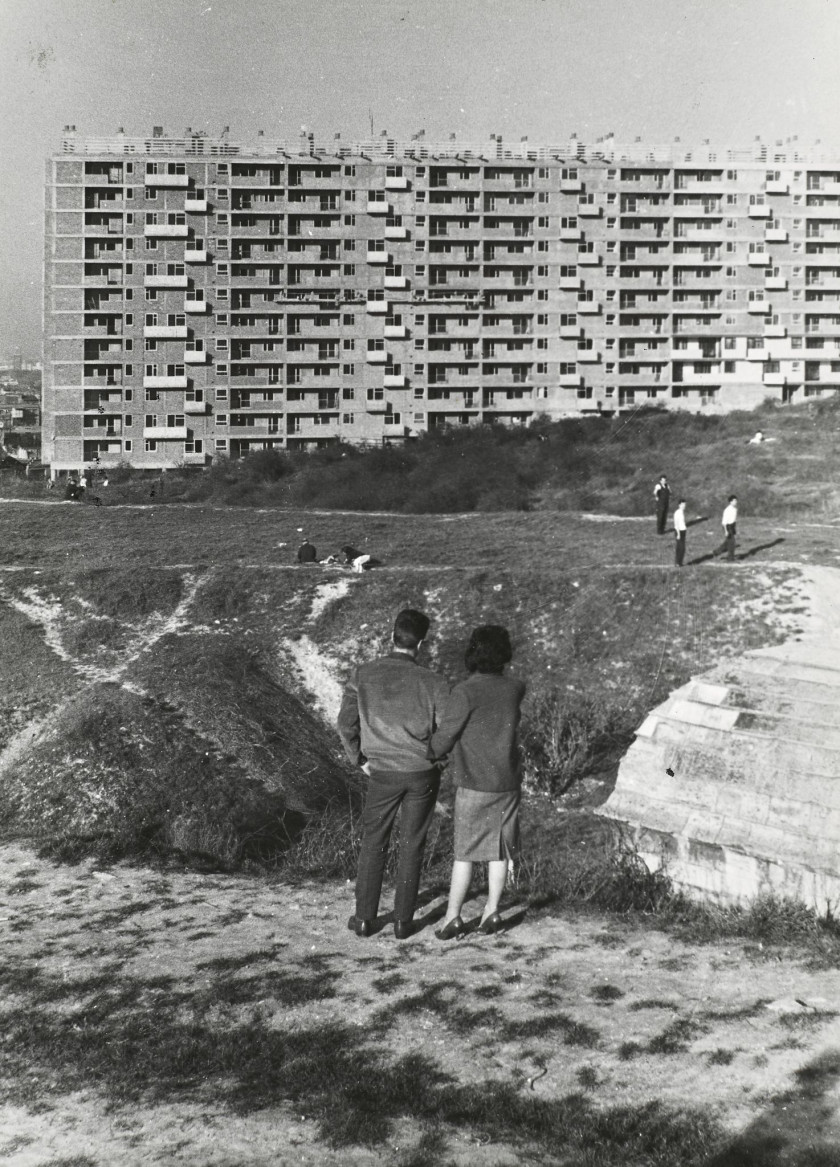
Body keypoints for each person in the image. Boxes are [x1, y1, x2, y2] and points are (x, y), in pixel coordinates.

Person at [338, 609, 450, 940]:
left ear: (392, 636)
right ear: (423, 643)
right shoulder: (435, 682)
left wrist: (359, 760)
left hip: (381, 771)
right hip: (421, 772)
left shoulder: (363, 673)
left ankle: (363, 919)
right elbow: (447, 731)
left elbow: (345, 725)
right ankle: (403, 922)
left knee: (374, 842)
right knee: (413, 844)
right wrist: (437, 761)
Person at [430, 625, 526, 940]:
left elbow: (444, 739)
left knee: (465, 853)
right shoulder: (514, 688)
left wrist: (428, 749)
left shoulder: (465, 692)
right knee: (499, 850)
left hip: (474, 783)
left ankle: (452, 917)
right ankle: (492, 912)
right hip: (507, 782)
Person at [715, 495, 738, 561]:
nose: (736, 502)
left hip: (732, 526)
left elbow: (734, 519)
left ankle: (716, 552)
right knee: (732, 542)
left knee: (728, 542)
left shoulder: (735, 509)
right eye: (734, 500)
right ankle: (730, 558)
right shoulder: (727, 510)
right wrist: (726, 531)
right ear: (730, 502)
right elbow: (724, 522)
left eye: (736, 500)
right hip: (727, 526)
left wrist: (734, 527)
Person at [673, 499, 687, 567]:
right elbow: (676, 524)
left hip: (683, 531)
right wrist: (678, 534)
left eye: (684, 504)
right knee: (680, 548)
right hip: (679, 531)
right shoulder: (677, 513)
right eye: (682, 505)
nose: (684, 506)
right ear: (679, 505)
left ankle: (679, 562)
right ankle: (677, 562)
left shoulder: (682, 512)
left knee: (682, 548)